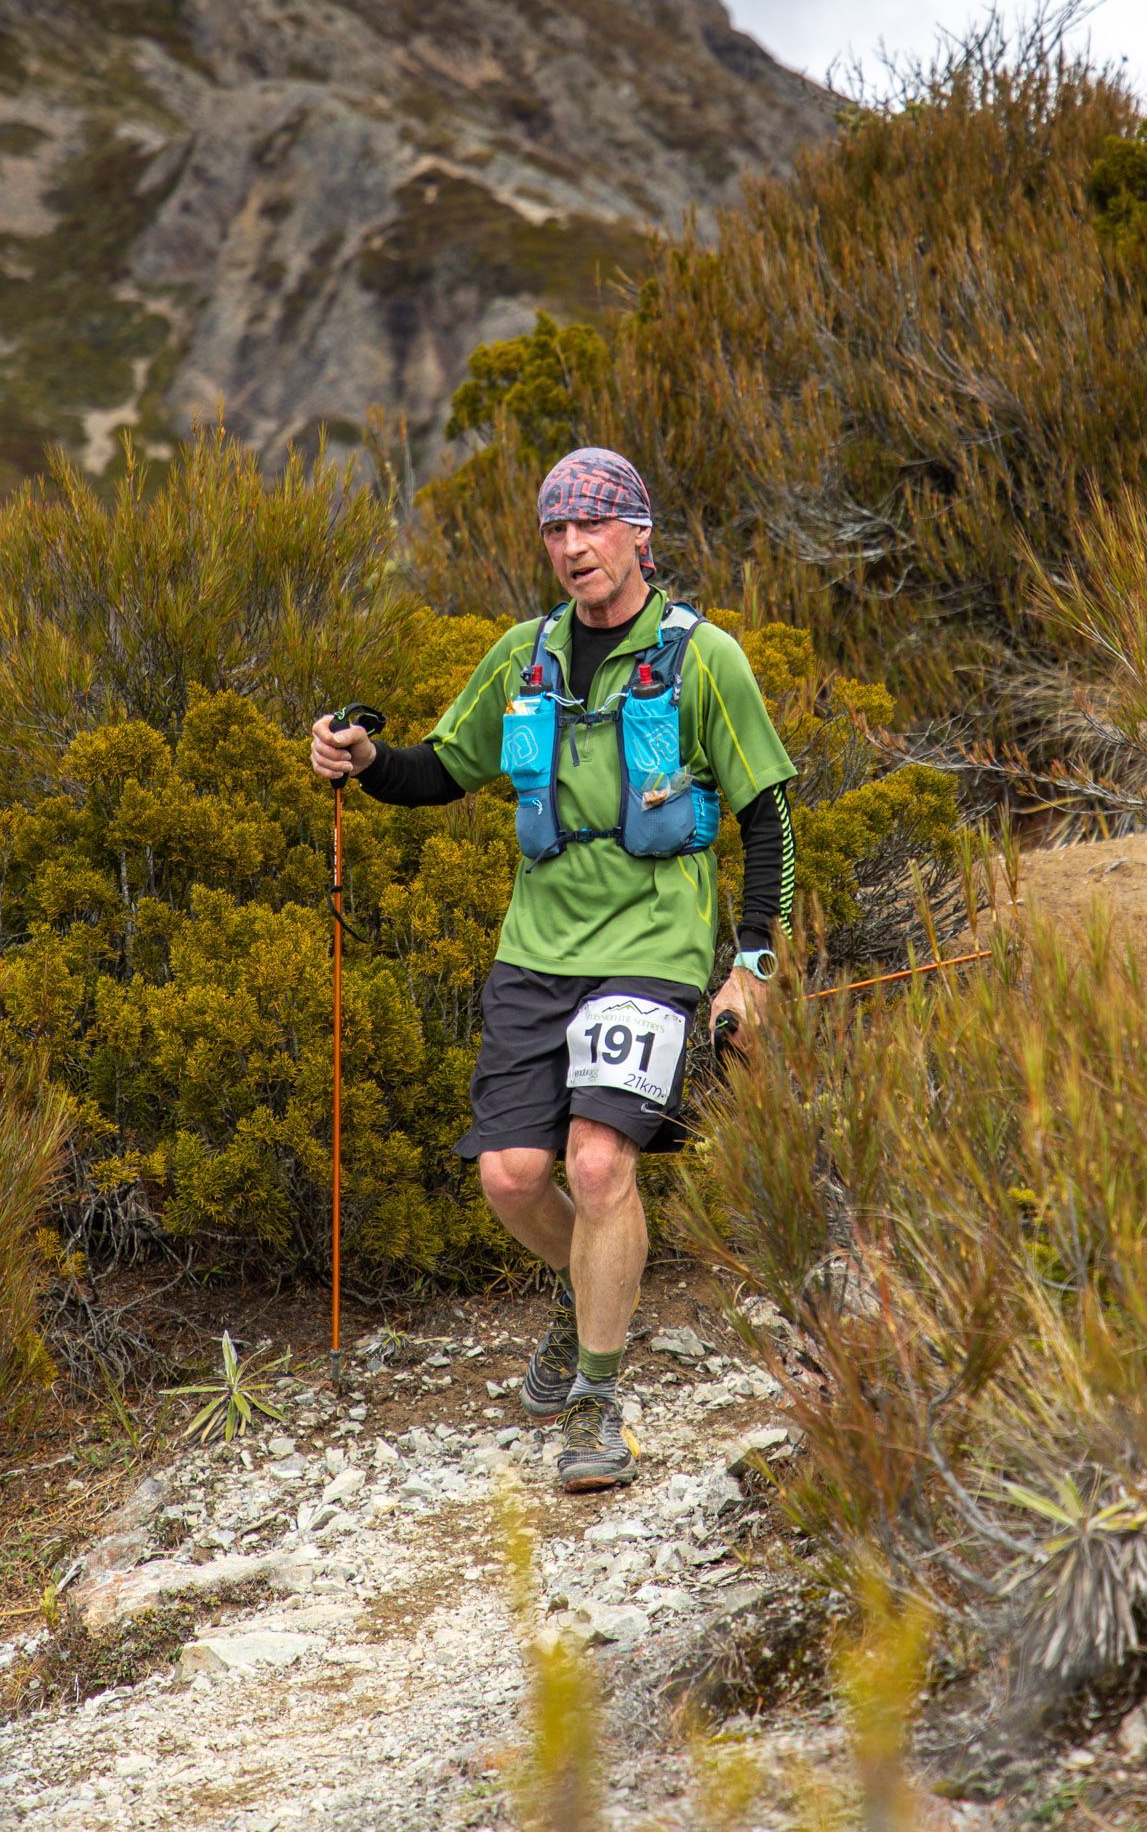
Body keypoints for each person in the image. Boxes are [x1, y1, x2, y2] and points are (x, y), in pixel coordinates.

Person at [310, 446, 796, 1494]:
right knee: (511, 1176)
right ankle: (592, 1290)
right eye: (553, 530)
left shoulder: (704, 659)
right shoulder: (520, 654)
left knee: (594, 1165)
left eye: (591, 525)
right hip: (535, 951)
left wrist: (750, 961)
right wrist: (361, 762)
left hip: (653, 948)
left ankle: (596, 1401)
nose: (571, 547)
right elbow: (441, 766)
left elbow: (769, 817)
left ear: (638, 531)